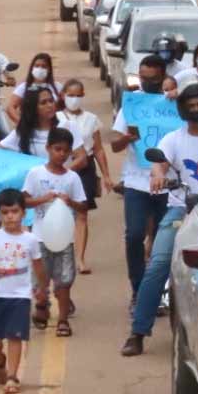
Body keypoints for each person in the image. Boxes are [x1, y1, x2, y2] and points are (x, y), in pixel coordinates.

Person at [121, 81, 198, 356]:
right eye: (191, 106)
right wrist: (159, 175)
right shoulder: (173, 139)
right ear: (183, 109)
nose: (197, 109)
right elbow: (158, 163)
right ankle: (138, 331)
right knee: (158, 263)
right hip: (181, 210)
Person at [0, 188, 48, 394]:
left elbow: (38, 266)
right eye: (5, 212)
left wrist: (42, 289)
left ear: (23, 212)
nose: (10, 216)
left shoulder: (30, 240)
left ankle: (13, 376)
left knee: (15, 336)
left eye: (14, 211)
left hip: (20, 297)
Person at [111, 55, 170, 309]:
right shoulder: (131, 106)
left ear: (163, 76)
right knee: (134, 235)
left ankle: (159, 292)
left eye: (153, 79)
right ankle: (138, 289)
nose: (147, 84)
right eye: (143, 78)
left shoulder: (173, 103)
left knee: (161, 241)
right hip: (136, 182)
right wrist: (127, 137)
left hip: (168, 184)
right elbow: (114, 145)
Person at [22, 128, 88, 337]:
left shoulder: (72, 178)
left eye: (66, 151)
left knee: (64, 280)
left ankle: (62, 319)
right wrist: (43, 199)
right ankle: (42, 305)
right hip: (40, 237)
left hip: (64, 239)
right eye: (57, 149)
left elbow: (84, 207)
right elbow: (24, 200)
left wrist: (71, 202)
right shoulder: (36, 174)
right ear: (48, 148)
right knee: (40, 281)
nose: (61, 154)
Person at [57, 79, 113, 275]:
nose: (74, 99)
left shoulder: (91, 119)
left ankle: (79, 258)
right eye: (70, 95)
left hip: (84, 168)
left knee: (82, 214)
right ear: (62, 95)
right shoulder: (55, 118)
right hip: (60, 167)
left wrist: (106, 175)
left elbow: (98, 149)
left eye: (78, 95)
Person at [0, 87, 87, 167]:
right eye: (43, 103)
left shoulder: (68, 126)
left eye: (51, 101)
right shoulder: (23, 131)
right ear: (33, 108)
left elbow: (81, 158)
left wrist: (60, 174)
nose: (49, 105)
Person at [6, 53, 62, 124]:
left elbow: (64, 107)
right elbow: (10, 107)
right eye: (37, 66)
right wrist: (22, 124)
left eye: (44, 66)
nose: (40, 69)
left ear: (49, 69)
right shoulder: (24, 87)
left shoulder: (57, 87)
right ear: (32, 68)